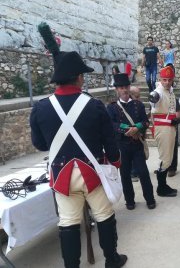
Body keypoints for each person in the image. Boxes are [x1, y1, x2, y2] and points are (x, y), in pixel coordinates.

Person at [30, 24, 127, 268]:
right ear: (79, 77)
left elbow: (41, 144)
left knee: (68, 221)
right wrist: (115, 164)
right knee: (104, 215)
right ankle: (112, 260)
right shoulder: (94, 105)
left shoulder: (40, 108)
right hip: (91, 172)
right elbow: (110, 143)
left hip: (61, 174)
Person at [107, 74, 156, 210]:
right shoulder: (111, 107)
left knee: (143, 173)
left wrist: (137, 128)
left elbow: (146, 121)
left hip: (136, 145)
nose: (124, 90)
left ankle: (150, 199)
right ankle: (130, 201)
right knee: (125, 175)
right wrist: (127, 129)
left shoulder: (138, 105)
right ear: (117, 89)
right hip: (122, 146)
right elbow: (112, 124)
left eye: (126, 87)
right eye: (121, 87)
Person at [150, 66, 180, 197]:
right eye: (164, 80)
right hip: (163, 129)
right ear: (160, 80)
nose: (167, 82)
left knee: (169, 157)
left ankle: (163, 185)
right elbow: (154, 98)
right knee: (165, 158)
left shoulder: (170, 91)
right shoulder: (159, 92)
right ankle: (161, 188)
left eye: (169, 80)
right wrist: (153, 97)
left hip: (170, 127)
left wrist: (176, 120)